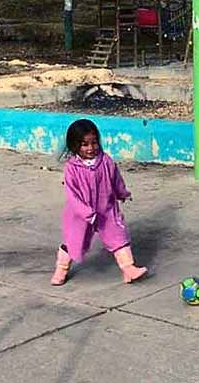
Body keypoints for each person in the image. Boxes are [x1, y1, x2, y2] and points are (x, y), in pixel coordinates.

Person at [50, 119, 148, 286]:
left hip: (106, 210)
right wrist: (86, 213)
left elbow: (116, 179)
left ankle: (128, 269)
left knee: (119, 237)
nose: (90, 148)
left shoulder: (106, 161)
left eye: (94, 143)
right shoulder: (72, 168)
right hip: (81, 215)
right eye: (84, 144)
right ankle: (61, 269)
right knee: (74, 242)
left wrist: (122, 193)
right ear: (75, 146)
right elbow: (72, 196)